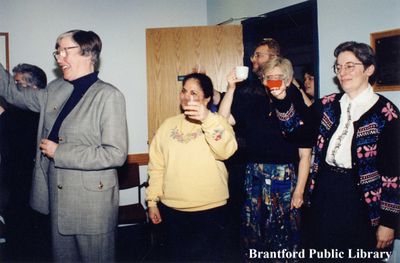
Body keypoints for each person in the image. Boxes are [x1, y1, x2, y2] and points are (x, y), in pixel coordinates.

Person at [0, 30, 128, 262]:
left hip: (91, 206)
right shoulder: (56, 89)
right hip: (57, 202)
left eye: (64, 51)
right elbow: (11, 92)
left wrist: (61, 152)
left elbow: (115, 154)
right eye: (57, 51)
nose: (58, 57)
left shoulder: (108, 96)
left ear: (88, 53)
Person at [270, 41, 399, 261]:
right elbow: (296, 133)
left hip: (360, 201)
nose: (342, 72)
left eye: (350, 66)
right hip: (323, 191)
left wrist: (389, 222)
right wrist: (282, 101)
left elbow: (394, 173)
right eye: (338, 67)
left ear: (369, 69)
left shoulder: (387, 113)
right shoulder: (327, 104)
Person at [219, 40, 311, 258]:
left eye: (277, 77)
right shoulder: (254, 99)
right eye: (268, 77)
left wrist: (299, 191)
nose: (272, 82)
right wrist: (231, 89)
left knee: (282, 234)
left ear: (288, 80)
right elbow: (222, 120)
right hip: (254, 173)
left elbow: (305, 155)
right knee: (254, 233)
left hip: (284, 176)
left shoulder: (296, 101)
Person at [146, 73, 238, 261]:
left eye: (194, 93)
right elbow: (157, 166)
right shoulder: (168, 125)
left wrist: (208, 119)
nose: (187, 97)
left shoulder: (218, 122)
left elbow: (225, 151)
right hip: (172, 211)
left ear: (207, 98)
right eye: (184, 91)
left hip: (210, 211)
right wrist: (152, 201)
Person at [0, 63, 51, 261]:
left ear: (34, 89)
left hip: (32, 190)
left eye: (18, 84)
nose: (13, 90)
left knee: (31, 244)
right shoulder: (15, 113)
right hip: (13, 188)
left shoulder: (40, 113)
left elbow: (20, 136)